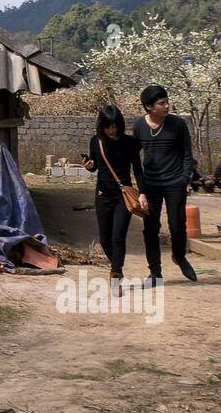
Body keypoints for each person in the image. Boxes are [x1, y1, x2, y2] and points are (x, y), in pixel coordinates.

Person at [131, 84, 198, 285]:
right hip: (151, 184)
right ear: (149, 107)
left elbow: (187, 154)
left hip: (175, 182)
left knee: (177, 226)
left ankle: (179, 256)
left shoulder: (177, 124)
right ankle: (155, 273)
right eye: (162, 103)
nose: (167, 106)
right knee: (151, 228)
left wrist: (184, 179)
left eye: (167, 101)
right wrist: (140, 188)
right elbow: (135, 158)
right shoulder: (139, 126)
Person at [82, 105, 146, 297]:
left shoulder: (130, 143)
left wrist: (142, 192)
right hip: (102, 194)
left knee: (118, 236)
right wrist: (89, 166)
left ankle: (116, 273)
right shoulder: (96, 141)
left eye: (115, 125)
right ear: (101, 126)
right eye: (108, 126)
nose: (112, 130)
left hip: (122, 196)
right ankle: (116, 264)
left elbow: (138, 170)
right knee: (104, 239)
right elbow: (95, 166)